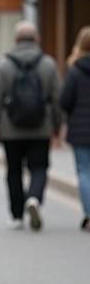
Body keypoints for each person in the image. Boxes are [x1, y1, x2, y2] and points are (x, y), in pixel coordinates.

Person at [0, 21, 62, 231]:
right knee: (39, 167)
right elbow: (56, 99)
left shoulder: (4, 64)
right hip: (41, 126)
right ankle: (34, 198)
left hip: (11, 128)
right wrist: (57, 126)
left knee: (14, 171)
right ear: (36, 39)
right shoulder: (48, 64)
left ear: (16, 40)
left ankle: (17, 215)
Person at [60, 26, 90, 232]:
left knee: (84, 171)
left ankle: (89, 213)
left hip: (80, 129)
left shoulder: (75, 69)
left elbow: (64, 100)